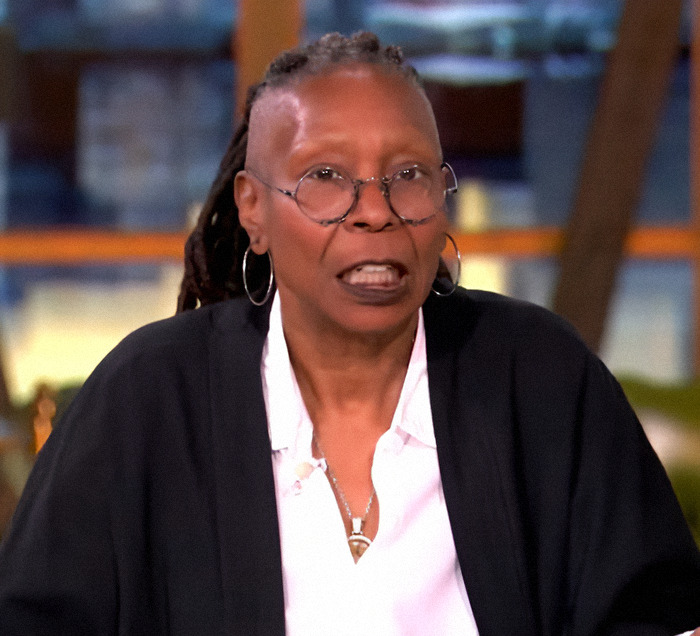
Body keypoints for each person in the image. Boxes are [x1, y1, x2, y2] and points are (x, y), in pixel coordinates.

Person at [0, 31, 698, 636]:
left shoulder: (541, 379)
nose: (375, 212)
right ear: (254, 210)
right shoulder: (147, 399)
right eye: (326, 177)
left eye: (409, 176)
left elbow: (653, 613)